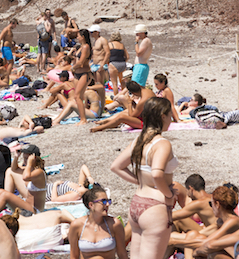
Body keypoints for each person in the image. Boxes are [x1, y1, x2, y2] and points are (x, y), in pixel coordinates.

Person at [110, 97, 178, 259]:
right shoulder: (162, 143)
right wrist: (169, 195)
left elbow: (116, 166)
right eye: (170, 115)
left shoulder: (139, 140)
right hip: (155, 207)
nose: (171, 119)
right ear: (162, 116)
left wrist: (139, 181)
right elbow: (157, 174)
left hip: (137, 203)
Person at [68, 185, 128, 259]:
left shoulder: (114, 224)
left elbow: (122, 254)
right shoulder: (76, 225)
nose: (108, 204)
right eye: (103, 201)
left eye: (108, 201)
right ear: (91, 205)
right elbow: (74, 256)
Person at [0, 144, 47, 216]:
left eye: (26, 159)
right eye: (24, 158)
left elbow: (25, 177)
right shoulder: (29, 169)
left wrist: (29, 164)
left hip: (35, 211)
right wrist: (16, 157)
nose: (25, 161)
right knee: (0, 191)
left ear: (33, 159)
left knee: (5, 195)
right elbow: (14, 169)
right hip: (27, 205)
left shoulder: (39, 172)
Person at [90, 81, 154, 132]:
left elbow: (131, 115)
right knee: (126, 111)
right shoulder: (148, 91)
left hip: (148, 123)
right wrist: (133, 103)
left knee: (121, 117)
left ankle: (100, 128)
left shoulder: (142, 101)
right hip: (150, 118)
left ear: (133, 93)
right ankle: (108, 121)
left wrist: (129, 103)